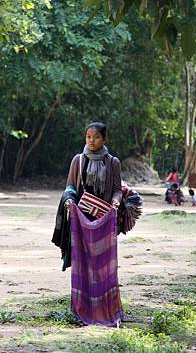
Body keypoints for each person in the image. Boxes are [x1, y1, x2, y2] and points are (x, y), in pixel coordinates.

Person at [52, 122, 123, 327]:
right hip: (81, 220)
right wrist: (68, 200)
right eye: (88, 137)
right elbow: (70, 187)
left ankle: (104, 307)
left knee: (103, 266)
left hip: (103, 219)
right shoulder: (78, 160)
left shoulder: (113, 163)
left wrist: (116, 201)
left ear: (104, 139)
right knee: (82, 264)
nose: (91, 141)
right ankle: (81, 307)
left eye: (96, 137)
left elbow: (117, 189)